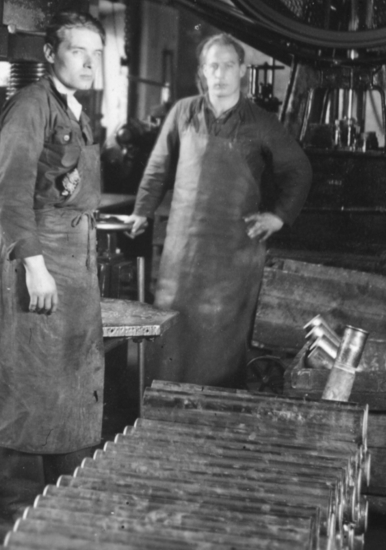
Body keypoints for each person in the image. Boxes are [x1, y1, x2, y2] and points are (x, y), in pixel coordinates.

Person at [127, 33, 312, 389]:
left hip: (232, 253)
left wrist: (278, 216)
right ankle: (164, 406)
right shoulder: (183, 112)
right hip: (182, 253)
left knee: (220, 347)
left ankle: (213, 408)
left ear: (242, 70)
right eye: (213, 66)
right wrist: (141, 211)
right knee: (171, 335)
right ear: (203, 71)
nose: (221, 74)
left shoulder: (261, 122)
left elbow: (299, 169)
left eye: (228, 65)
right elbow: (157, 167)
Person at [0, 11, 105, 504]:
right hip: (43, 260)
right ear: (51, 53)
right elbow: (8, 196)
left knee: (72, 383)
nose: (89, 62)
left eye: (96, 53)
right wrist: (35, 269)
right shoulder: (30, 106)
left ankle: (64, 507)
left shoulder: (75, 110)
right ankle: (18, 510)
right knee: (32, 384)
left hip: (77, 263)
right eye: (78, 51)